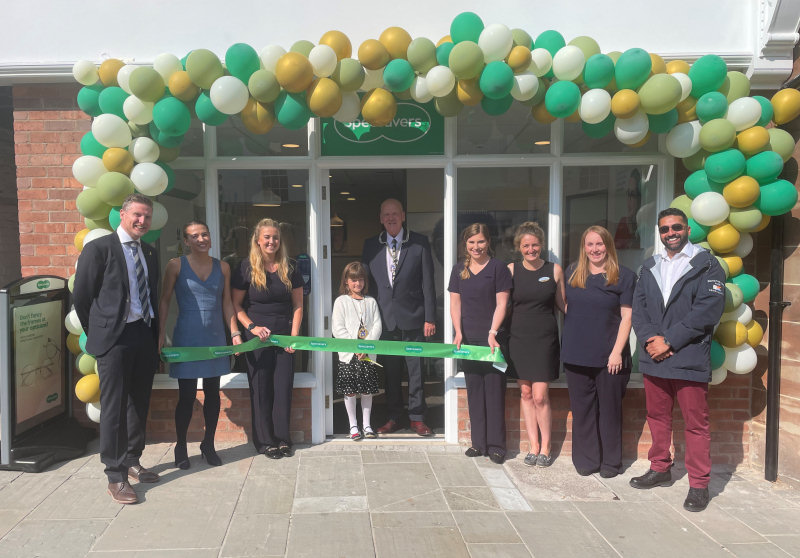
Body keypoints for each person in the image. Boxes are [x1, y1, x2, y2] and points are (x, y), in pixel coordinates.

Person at [630, 208, 725, 512]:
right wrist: (650, 340)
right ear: (659, 233)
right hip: (654, 357)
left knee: (696, 424)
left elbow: (708, 311)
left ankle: (698, 484)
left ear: (687, 229)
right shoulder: (650, 266)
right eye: (664, 229)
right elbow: (639, 308)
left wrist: (669, 341)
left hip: (690, 355)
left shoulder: (707, 265)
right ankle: (660, 469)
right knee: (657, 417)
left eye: (676, 227)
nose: (670, 233)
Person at [73, 193, 161, 505]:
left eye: (147, 217)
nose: (142, 221)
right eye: (137, 215)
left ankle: (132, 459)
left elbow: (152, 295)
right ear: (122, 215)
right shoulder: (99, 249)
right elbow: (82, 298)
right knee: (113, 406)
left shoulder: (149, 252)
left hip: (143, 335)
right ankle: (115, 474)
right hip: (114, 338)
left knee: (139, 402)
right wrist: (100, 333)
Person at [158, 221, 240, 469]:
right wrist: (160, 334)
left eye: (205, 234)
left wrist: (235, 332)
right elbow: (164, 301)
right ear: (186, 241)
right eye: (195, 236)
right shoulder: (175, 265)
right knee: (186, 396)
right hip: (187, 338)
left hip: (214, 337)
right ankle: (181, 445)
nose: (201, 239)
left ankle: (209, 444)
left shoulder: (223, 267)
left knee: (213, 394)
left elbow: (227, 303)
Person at [561, 225, 636, 479]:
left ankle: (611, 463)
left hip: (609, 357)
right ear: (584, 248)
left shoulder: (623, 276)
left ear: (608, 246)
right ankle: (586, 460)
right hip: (576, 354)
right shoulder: (572, 272)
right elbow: (564, 305)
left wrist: (616, 353)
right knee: (582, 411)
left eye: (600, 244)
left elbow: (627, 318)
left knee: (610, 412)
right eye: (590, 244)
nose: (595, 249)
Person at [362, 198, 436, 437]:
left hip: (414, 320)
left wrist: (430, 318)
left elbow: (428, 284)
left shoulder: (419, 243)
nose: (391, 218)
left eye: (395, 214)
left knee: (416, 372)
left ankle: (417, 417)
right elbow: (366, 286)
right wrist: (365, 320)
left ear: (403, 215)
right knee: (391, 373)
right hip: (385, 321)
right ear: (381, 218)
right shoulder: (371, 245)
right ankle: (393, 417)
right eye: (386, 215)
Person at [232, 219, 304, 459]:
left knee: (283, 389)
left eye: (275, 237)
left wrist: (294, 337)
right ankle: (264, 442)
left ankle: (283, 438)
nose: (271, 241)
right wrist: (251, 327)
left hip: (284, 339)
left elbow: (298, 305)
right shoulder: (245, 268)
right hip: (257, 339)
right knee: (261, 390)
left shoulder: (290, 267)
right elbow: (236, 305)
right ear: (258, 241)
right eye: (267, 237)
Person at [448, 223, 512, 464]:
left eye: (481, 241)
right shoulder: (458, 270)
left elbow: (502, 304)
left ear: (488, 243)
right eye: (472, 242)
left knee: (494, 393)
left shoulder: (498, 269)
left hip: (492, 341)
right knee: (474, 393)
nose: (476, 247)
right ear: (465, 244)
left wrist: (493, 332)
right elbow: (455, 304)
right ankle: (479, 443)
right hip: (469, 340)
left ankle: (496, 446)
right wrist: (457, 332)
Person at [506, 222, 565, 468]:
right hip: (518, 339)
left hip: (545, 340)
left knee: (540, 396)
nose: (531, 250)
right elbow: (501, 304)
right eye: (526, 245)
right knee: (526, 393)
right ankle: (533, 446)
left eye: (535, 245)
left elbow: (564, 305)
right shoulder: (511, 270)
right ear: (519, 247)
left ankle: (547, 446)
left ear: (541, 245)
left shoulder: (555, 270)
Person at [331, 262, 383, 440]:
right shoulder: (341, 302)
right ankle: (353, 425)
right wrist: (355, 348)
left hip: (367, 356)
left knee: (367, 390)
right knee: (350, 391)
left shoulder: (371, 302)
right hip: (349, 355)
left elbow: (377, 326)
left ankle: (367, 425)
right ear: (346, 281)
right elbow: (338, 328)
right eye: (353, 280)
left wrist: (366, 348)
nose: (357, 284)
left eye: (360, 280)